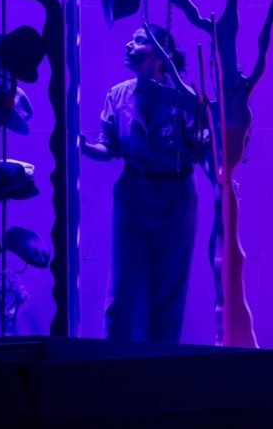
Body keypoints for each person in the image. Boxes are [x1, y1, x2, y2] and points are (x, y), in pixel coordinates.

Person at [81, 23, 200, 343]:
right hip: (133, 195)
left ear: (162, 55)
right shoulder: (118, 95)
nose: (128, 46)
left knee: (168, 288)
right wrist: (84, 147)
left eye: (139, 41)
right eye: (131, 40)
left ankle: (162, 360)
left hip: (175, 196)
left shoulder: (184, 100)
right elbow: (109, 147)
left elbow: (202, 146)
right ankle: (113, 360)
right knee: (122, 287)